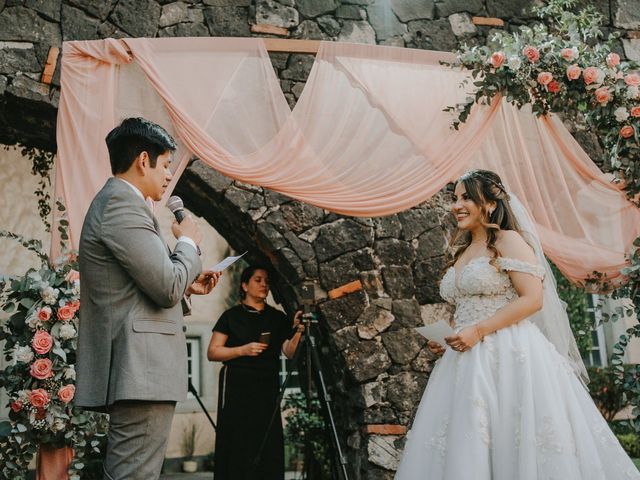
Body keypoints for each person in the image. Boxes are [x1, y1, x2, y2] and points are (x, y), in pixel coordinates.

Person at [395, 169, 639, 479]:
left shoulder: (509, 241)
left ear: (490, 204)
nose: (456, 205)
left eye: (466, 197)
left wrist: (479, 330)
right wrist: (450, 338)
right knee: (466, 439)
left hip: (508, 352)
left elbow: (532, 299)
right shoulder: (464, 250)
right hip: (465, 359)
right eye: (454, 198)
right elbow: (468, 307)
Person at [75, 117, 221, 480]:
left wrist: (188, 284)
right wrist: (188, 241)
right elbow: (165, 285)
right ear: (144, 159)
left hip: (142, 371)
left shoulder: (124, 205)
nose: (169, 174)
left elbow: (150, 283)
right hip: (139, 370)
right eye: (167, 164)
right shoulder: (121, 206)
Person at [208, 265, 304, 480]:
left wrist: (298, 330)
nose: (264, 285)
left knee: (266, 442)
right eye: (258, 280)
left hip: (266, 388)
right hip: (238, 389)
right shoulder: (230, 316)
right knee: (238, 443)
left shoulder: (277, 318)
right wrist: (242, 350)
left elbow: (289, 351)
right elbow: (213, 352)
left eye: (267, 281)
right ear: (245, 285)